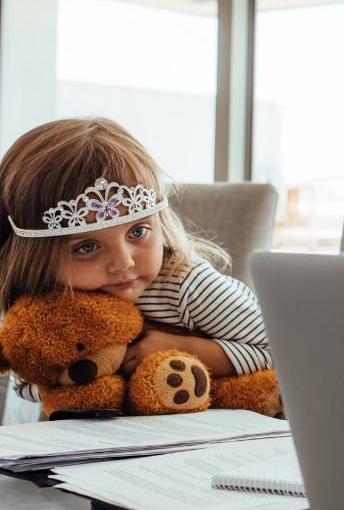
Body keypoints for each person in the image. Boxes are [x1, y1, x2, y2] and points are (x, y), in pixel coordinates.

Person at [0, 117, 273, 410]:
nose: (123, 262)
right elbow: (25, 381)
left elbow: (281, 351)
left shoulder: (187, 284)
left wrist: (181, 348)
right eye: (87, 247)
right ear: (34, 257)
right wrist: (78, 379)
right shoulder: (48, 303)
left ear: (161, 223)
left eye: (138, 232)